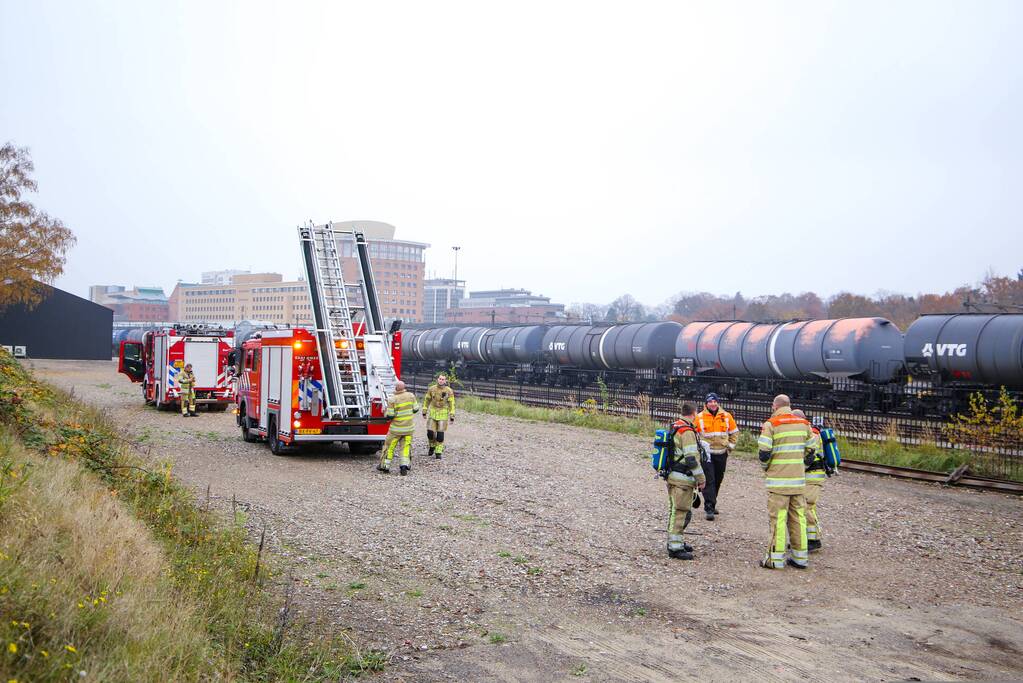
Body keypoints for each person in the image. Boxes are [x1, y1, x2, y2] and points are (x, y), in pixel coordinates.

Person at [757, 394, 813, 569]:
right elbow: (812, 451)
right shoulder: (804, 424)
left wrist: (767, 468)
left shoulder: (771, 424)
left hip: (778, 483)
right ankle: (800, 558)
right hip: (798, 482)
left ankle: (775, 559)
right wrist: (800, 466)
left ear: (775, 407)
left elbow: (764, 452)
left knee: (778, 520)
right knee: (798, 519)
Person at [664, 403, 707, 560]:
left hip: (673, 475)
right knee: (681, 512)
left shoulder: (676, 425)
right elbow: (691, 459)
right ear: (694, 413)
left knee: (675, 511)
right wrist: (701, 479)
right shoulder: (687, 431)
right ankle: (675, 548)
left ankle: (677, 541)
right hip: (682, 478)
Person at [695, 392, 739, 521]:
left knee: (718, 479)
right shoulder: (700, 417)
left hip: (721, 454)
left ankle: (712, 503)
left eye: (715, 401)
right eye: (710, 401)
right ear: (706, 403)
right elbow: (694, 433)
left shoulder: (726, 416)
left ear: (718, 402)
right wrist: (699, 448)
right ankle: (709, 508)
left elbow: (734, 433)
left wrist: (730, 447)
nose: (713, 404)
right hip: (707, 455)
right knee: (709, 480)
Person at [378, 381, 420, 476]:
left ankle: (385, 466)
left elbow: (390, 415)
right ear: (404, 388)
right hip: (408, 429)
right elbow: (416, 409)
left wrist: (385, 412)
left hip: (396, 430)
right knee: (405, 447)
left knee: (389, 446)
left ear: (396, 388)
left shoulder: (392, 399)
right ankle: (403, 467)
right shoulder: (411, 396)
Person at [422, 374, 455, 459]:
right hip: (433, 412)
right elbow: (427, 400)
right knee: (430, 433)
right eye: (440, 379)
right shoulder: (432, 389)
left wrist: (452, 415)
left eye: (443, 379)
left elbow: (452, 403)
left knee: (440, 435)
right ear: (437, 379)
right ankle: (432, 446)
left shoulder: (449, 391)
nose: (441, 380)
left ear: (445, 381)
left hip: (443, 413)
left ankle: (438, 451)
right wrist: (424, 411)